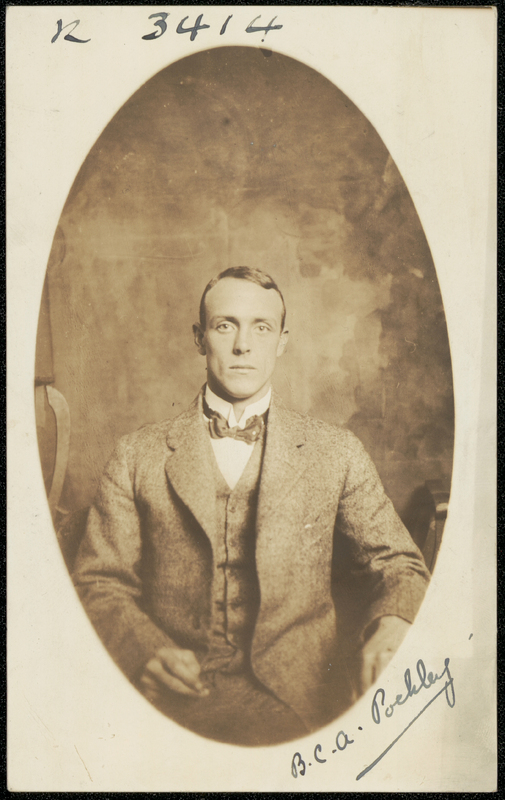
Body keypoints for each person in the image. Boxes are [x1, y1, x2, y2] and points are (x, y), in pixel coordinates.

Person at [73, 266, 430, 746]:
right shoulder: (136, 455)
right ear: (199, 338)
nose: (243, 345)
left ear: (282, 341)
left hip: (299, 697)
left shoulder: (336, 452)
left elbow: (399, 563)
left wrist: (393, 627)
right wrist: (144, 652)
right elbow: (98, 582)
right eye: (225, 326)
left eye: (261, 328)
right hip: (172, 698)